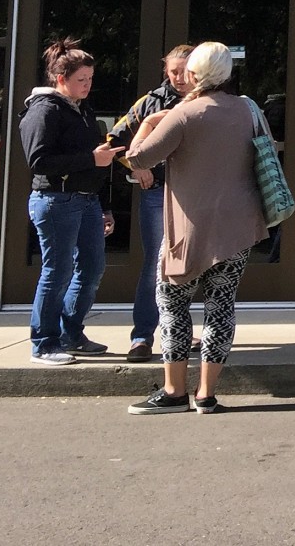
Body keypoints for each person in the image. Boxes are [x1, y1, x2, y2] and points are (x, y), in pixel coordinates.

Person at [122, 42, 267, 415]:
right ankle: (207, 393)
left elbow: (137, 157)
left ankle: (173, 390)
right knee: (221, 307)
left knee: (172, 304)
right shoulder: (248, 109)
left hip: (188, 228)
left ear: (192, 74)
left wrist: (150, 123)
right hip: (239, 225)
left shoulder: (184, 113)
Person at [20, 39, 124, 365]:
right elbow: (39, 161)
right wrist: (90, 160)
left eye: (91, 79)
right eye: (81, 80)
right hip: (55, 200)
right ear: (60, 78)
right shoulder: (44, 110)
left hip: (85, 200)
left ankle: (71, 333)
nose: (88, 85)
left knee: (92, 268)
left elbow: (97, 160)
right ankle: (44, 342)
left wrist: (104, 205)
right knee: (57, 272)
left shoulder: (82, 109)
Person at [106, 44, 194, 362]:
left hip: (195, 194)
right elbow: (115, 140)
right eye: (174, 72)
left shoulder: (209, 99)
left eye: (186, 72)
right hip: (157, 192)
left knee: (191, 268)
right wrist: (137, 165)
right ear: (165, 71)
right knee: (155, 265)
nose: (180, 78)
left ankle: (181, 330)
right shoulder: (151, 101)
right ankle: (142, 336)